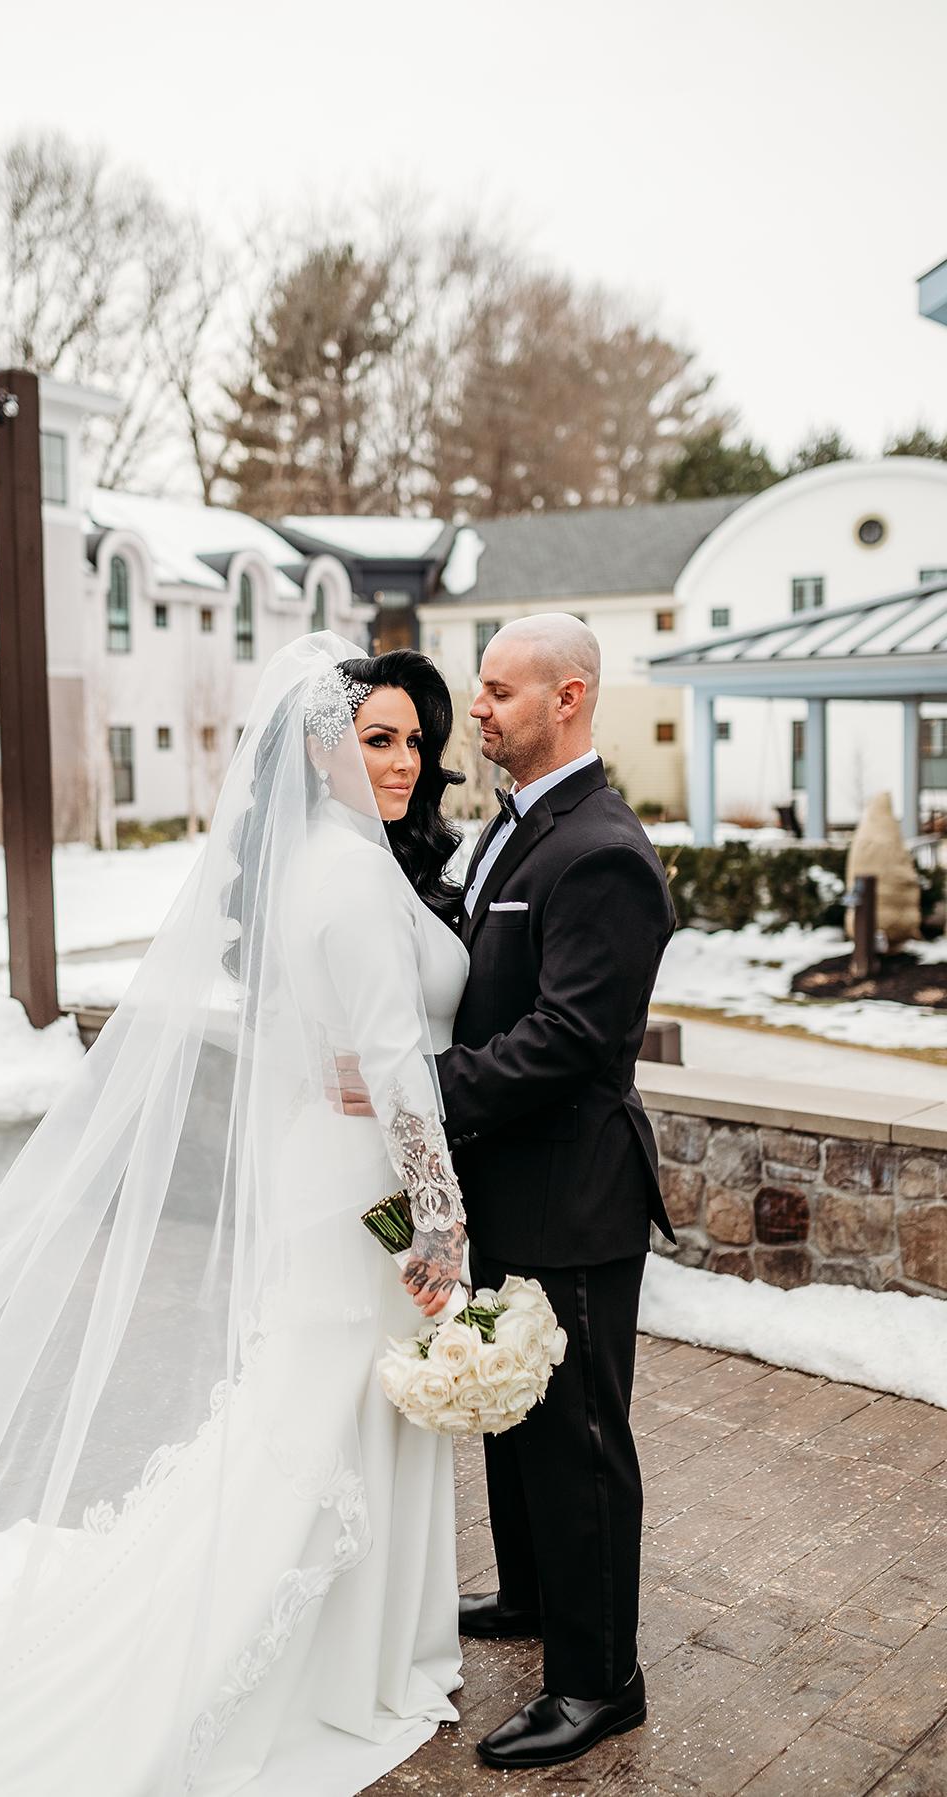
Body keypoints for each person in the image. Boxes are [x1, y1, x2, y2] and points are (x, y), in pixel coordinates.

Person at [0, 635, 473, 1796]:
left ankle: (360, 1649)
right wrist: (440, 1224)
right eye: (376, 740)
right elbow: (391, 1060)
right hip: (364, 1188)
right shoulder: (342, 869)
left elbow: (344, 1045)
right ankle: (336, 1666)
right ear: (317, 751)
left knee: (329, 1415)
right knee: (333, 1420)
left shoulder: (335, 861)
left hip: (328, 1169)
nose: (405, 761)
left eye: (415, 742)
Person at [336, 613, 677, 1771]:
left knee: (580, 1440)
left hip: (576, 1192)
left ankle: (599, 1682)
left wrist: (413, 1094)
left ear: (568, 700)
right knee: (516, 1412)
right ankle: (533, 1598)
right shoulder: (516, 829)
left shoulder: (604, 850)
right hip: (508, 1184)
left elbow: (573, 1040)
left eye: (495, 692)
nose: (469, 713)